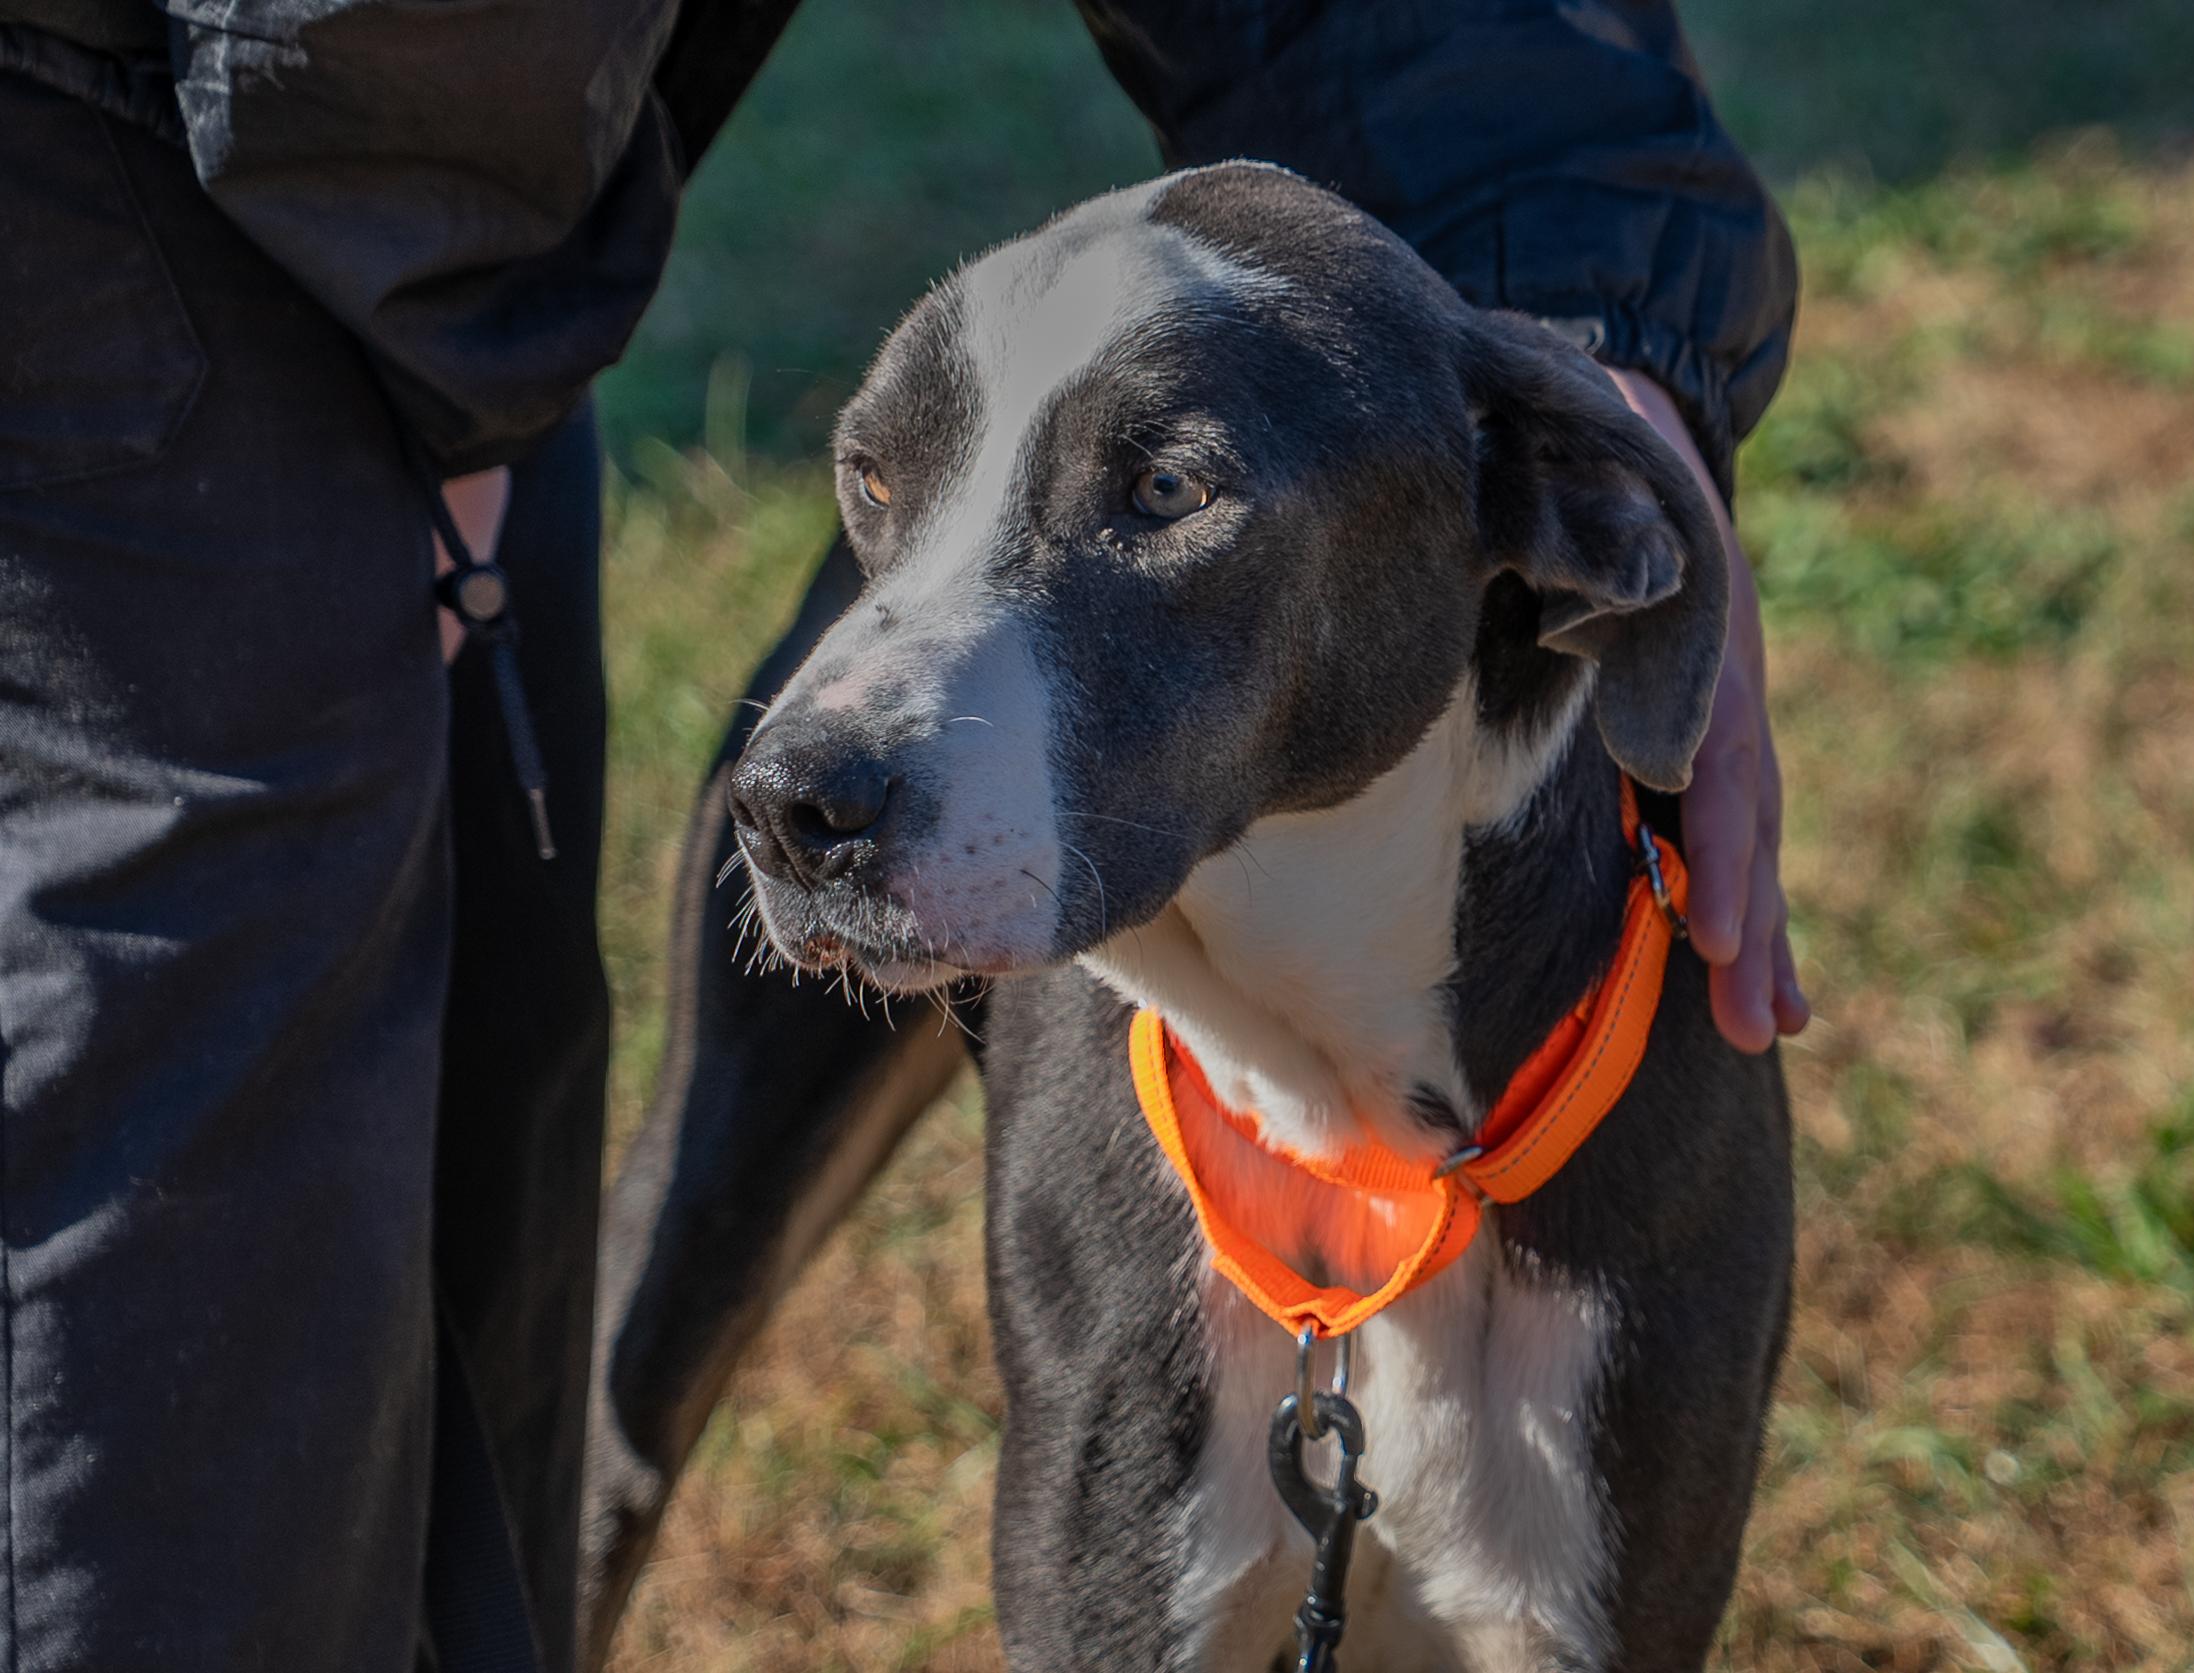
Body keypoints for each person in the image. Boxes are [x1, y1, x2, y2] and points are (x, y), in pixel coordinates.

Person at [0, 4, 1802, 1671]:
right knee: (349, 1268)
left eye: (1162, 491)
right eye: (886, 492)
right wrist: (397, 293)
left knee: (469, 1151)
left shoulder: (1645, 1068)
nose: (808, 744)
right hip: (200, 153)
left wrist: (1608, 326)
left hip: (409, 192)